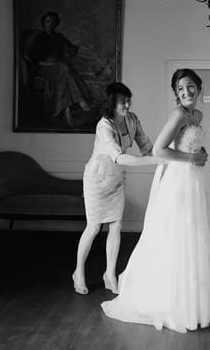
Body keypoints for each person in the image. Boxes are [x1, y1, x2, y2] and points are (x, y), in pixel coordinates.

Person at [101, 69, 210, 333]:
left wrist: (199, 152)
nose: (185, 92)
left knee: (198, 235)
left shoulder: (197, 114)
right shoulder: (178, 114)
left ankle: (199, 302)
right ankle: (174, 303)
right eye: (179, 89)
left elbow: (186, 144)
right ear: (176, 94)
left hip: (196, 179)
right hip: (179, 180)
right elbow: (159, 150)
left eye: (189, 87)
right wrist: (191, 158)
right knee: (177, 236)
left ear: (198, 88)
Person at [72, 82, 161, 295]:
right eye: (123, 102)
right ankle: (78, 272)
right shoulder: (104, 126)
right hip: (96, 180)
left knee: (116, 225)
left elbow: (146, 147)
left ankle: (110, 274)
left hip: (117, 180)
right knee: (93, 227)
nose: (127, 105)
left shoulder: (132, 119)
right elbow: (119, 156)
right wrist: (155, 162)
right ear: (112, 104)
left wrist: (162, 158)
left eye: (129, 100)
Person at [28, 11, 95, 125]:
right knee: (64, 68)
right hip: (45, 68)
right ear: (44, 23)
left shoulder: (59, 37)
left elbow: (72, 48)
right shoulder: (39, 38)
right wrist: (54, 64)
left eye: (53, 22)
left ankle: (67, 111)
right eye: (48, 22)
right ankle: (81, 101)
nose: (51, 24)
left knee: (63, 72)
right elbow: (36, 61)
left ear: (56, 24)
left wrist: (86, 50)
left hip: (60, 69)